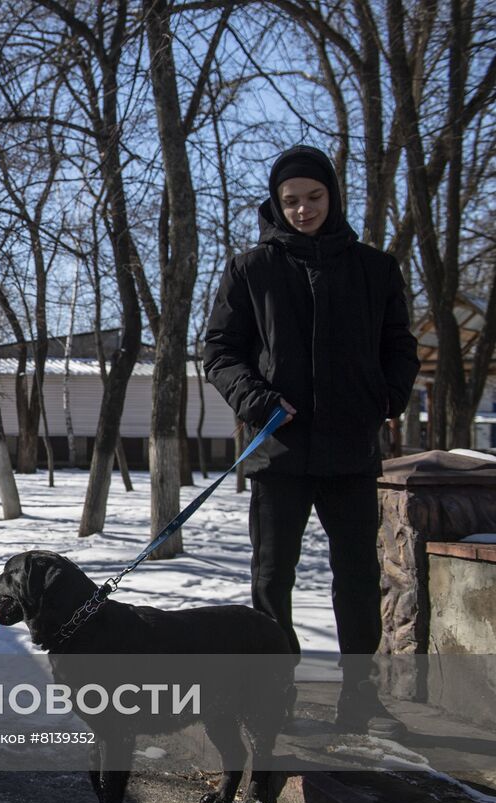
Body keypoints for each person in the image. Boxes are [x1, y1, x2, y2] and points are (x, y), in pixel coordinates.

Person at [203, 145, 419, 738]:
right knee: (273, 578)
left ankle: (360, 696)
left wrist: (385, 397)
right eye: (290, 200)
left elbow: (400, 346)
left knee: (355, 576)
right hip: (280, 451)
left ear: (333, 196)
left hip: (350, 452)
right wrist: (259, 401)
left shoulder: (375, 269)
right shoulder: (252, 269)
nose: (303, 209)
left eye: (314, 197)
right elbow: (220, 352)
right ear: (276, 203)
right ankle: (275, 693)